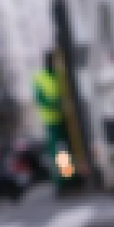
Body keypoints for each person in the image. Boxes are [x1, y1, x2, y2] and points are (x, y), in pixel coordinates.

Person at [33, 52, 74, 188]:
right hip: (52, 121)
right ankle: (65, 179)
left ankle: (69, 175)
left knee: (66, 149)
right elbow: (42, 100)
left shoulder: (59, 75)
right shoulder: (40, 78)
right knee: (60, 150)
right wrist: (59, 103)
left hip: (65, 117)